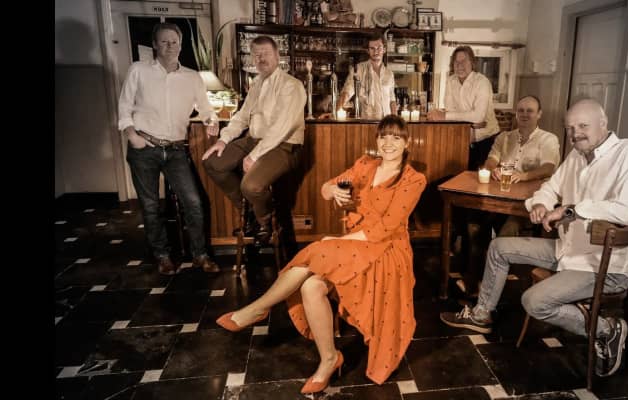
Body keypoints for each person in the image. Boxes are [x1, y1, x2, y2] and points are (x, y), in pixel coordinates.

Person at [440, 99, 628, 378]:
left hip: (605, 264)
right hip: (568, 248)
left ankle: (608, 329)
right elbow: (550, 187)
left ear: (603, 123)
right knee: (499, 246)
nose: (575, 133)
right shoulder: (577, 155)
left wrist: (569, 210)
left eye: (583, 126)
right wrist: (541, 203)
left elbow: (623, 210)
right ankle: (482, 314)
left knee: (534, 301)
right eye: (570, 128)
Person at [215, 115, 426, 393]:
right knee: (311, 286)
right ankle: (329, 359)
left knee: (319, 249)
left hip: (387, 251)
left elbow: (384, 230)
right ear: (377, 140)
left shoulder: (413, 180)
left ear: (407, 142)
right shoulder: (365, 165)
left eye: (396, 138)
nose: (388, 143)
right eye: (383, 136)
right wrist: (334, 190)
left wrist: (338, 241)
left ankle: (258, 309)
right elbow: (327, 188)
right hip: (356, 245)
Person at [117, 22, 220, 275]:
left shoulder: (192, 76)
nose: (170, 46)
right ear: (154, 44)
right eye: (164, 41)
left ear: (181, 45)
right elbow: (124, 107)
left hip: (175, 150)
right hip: (144, 147)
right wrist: (132, 135)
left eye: (174, 41)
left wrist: (212, 120)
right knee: (151, 206)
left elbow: (205, 108)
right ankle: (162, 256)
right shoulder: (138, 70)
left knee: (193, 202)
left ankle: (200, 255)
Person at [201, 36, 306, 244]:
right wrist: (223, 140)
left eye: (266, 53)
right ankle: (250, 212)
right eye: (256, 55)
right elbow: (242, 117)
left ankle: (265, 220)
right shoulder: (257, 84)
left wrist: (254, 156)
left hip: (284, 146)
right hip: (254, 140)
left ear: (277, 56)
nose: (261, 58)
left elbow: (280, 129)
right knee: (212, 162)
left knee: (251, 186)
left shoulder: (291, 85)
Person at [457, 95, 560, 296]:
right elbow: (491, 160)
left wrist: (523, 176)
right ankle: (474, 282)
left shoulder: (548, 139)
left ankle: (492, 287)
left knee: (507, 232)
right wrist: (492, 169)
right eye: (521, 110)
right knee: (474, 223)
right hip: (499, 198)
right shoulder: (504, 137)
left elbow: (549, 168)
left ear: (539, 114)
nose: (524, 114)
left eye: (530, 111)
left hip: (527, 203)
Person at [427, 46, 500, 170]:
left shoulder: (482, 82)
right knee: (462, 175)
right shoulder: (451, 81)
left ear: (472, 62)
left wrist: (445, 116)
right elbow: (451, 110)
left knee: (482, 178)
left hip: (486, 139)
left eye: (464, 61)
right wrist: (471, 123)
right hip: (464, 138)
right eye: (456, 62)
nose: (459, 65)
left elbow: (478, 116)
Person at [335, 33, 398, 119]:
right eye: (372, 48)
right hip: (367, 122)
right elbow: (347, 92)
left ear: (384, 49)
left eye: (379, 48)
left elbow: (392, 100)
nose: (376, 51)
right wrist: (335, 113)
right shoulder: (358, 70)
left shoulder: (389, 74)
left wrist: (395, 120)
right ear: (368, 51)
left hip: (386, 123)